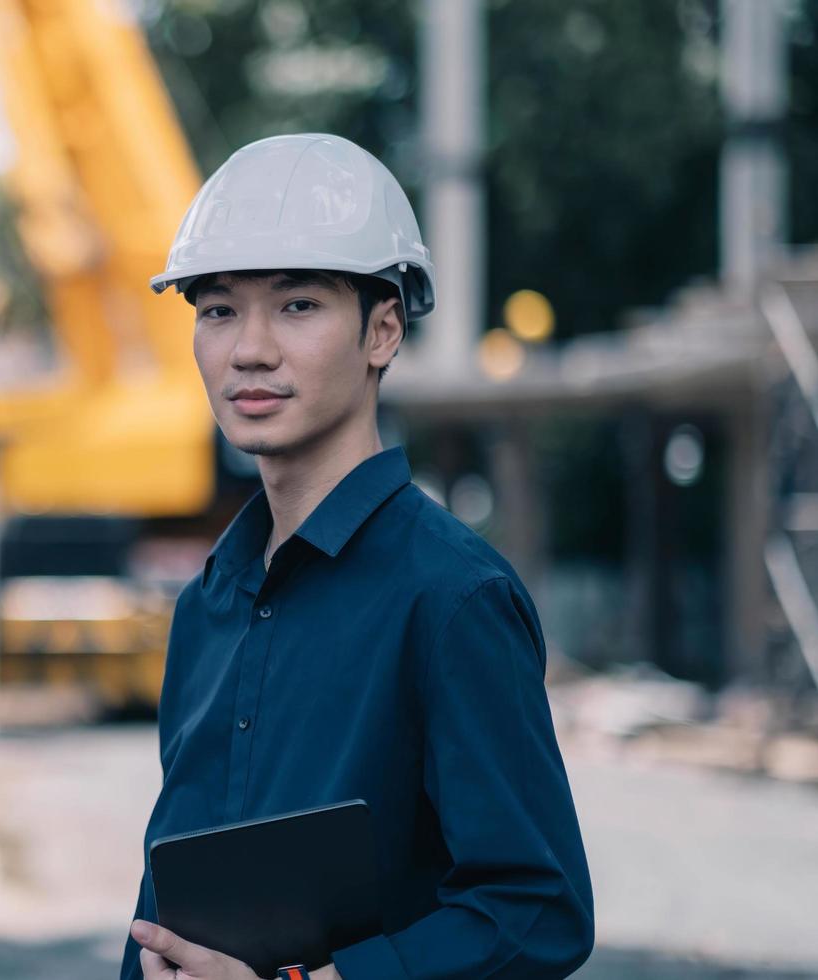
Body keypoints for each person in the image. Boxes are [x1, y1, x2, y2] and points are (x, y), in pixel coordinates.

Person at [118, 134, 594, 980]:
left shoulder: (450, 597)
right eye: (218, 309)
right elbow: (172, 899)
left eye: (297, 305)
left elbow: (535, 910)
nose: (248, 349)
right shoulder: (208, 605)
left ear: (382, 332)